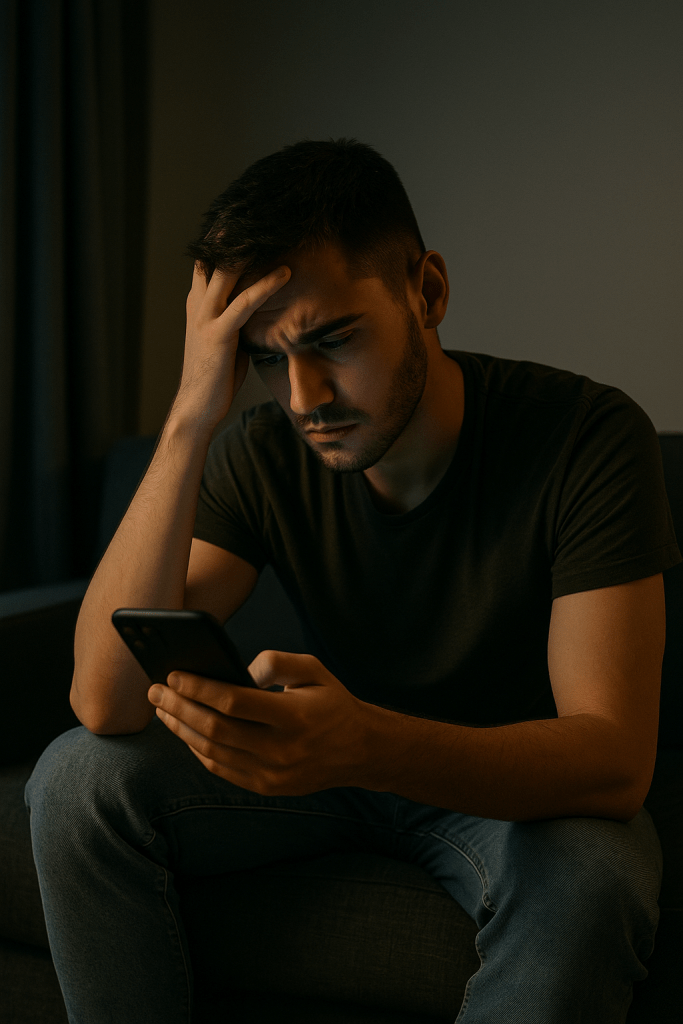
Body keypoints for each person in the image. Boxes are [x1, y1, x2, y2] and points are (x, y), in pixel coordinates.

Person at [25, 138, 681, 1024]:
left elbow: (611, 762)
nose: (301, 397)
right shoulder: (259, 454)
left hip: (510, 798)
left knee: (595, 878)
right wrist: (190, 413)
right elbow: (104, 701)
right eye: (265, 358)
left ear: (428, 292)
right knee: (74, 778)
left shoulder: (585, 436)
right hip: (329, 775)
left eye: (332, 339)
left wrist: (361, 741)